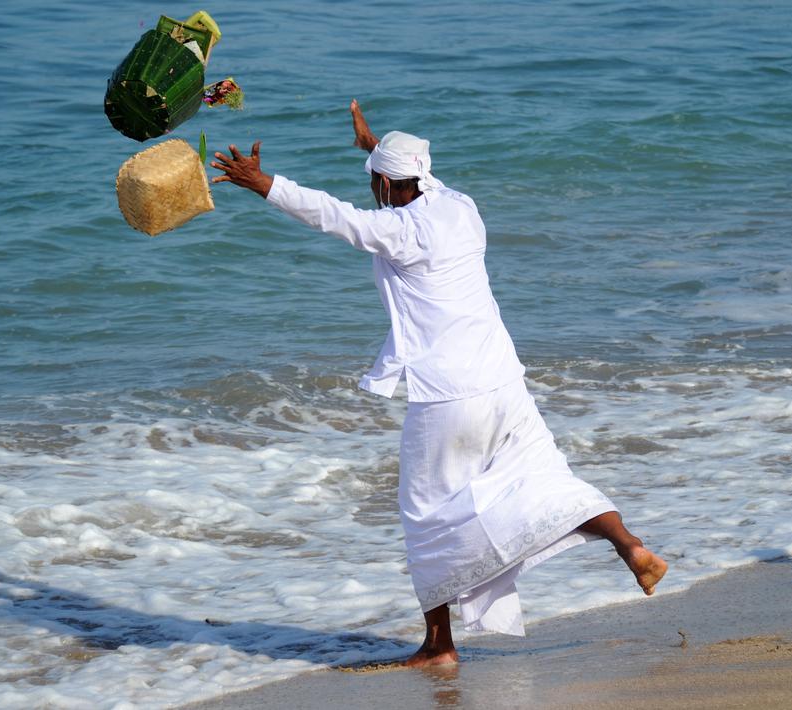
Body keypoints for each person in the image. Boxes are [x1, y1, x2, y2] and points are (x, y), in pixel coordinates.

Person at [209, 100, 667, 667]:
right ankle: (631, 546)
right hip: (503, 380)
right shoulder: (461, 208)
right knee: (546, 477)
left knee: (424, 515)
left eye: (376, 178)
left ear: (385, 181)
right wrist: (372, 146)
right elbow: (412, 179)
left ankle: (440, 645)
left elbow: (332, 215)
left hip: (447, 394)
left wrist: (263, 184)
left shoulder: (399, 231)